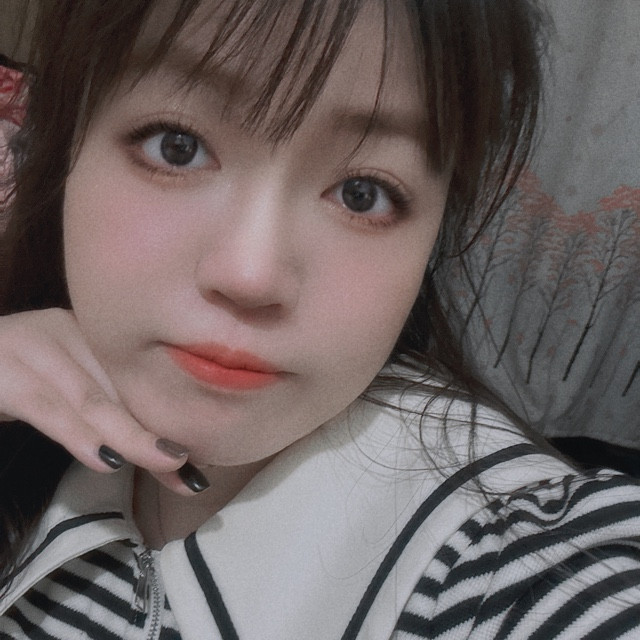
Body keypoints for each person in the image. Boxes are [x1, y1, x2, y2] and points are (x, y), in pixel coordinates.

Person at [0, 1, 639, 638]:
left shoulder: (500, 560)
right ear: (66, 146)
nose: (251, 275)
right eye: (178, 147)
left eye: (364, 193)